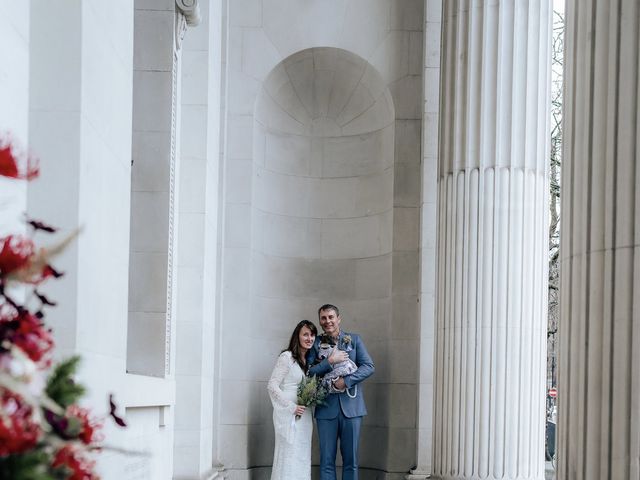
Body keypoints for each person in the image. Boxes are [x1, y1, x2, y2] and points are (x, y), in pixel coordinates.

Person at [308, 304, 374, 480]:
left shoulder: (354, 340)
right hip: (326, 409)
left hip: (352, 410)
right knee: (326, 460)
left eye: (331, 317)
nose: (328, 321)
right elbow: (309, 372)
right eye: (324, 318)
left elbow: (369, 366)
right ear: (320, 321)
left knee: (351, 460)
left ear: (339, 318)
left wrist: (346, 381)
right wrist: (329, 361)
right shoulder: (315, 344)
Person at [267, 320, 317, 480]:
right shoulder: (287, 357)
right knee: (289, 453)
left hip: (305, 414)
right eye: (306, 334)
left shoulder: (308, 362)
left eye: (312, 335)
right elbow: (272, 386)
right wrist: (291, 407)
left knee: (301, 454)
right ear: (298, 336)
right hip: (289, 414)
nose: (310, 338)